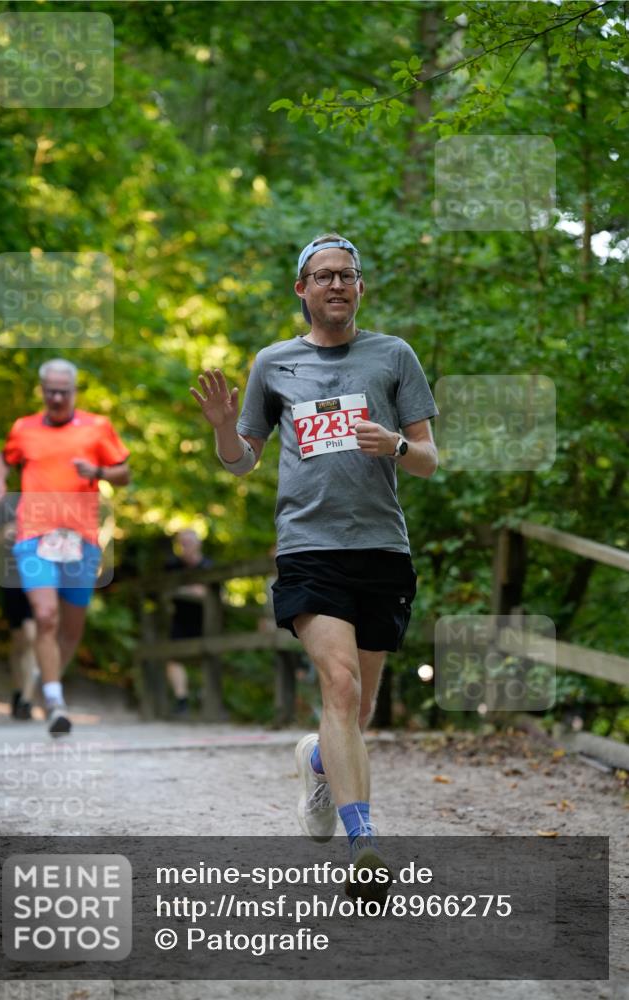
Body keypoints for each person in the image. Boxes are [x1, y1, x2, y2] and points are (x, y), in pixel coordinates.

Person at [191, 233, 439, 903]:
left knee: (357, 704)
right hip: (308, 545)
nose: (336, 285)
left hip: (382, 549)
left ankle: (319, 762)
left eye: (347, 276)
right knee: (338, 683)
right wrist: (221, 427)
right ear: (300, 289)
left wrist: (393, 444)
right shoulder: (274, 364)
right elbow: (242, 459)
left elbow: (427, 457)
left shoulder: (392, 356)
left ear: (360, 288)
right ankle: (364, 844)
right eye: (323, 275)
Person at [0, 359, 130, 737]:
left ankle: (42, 681)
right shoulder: (23, 428)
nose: (56, 397)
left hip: (79, 538)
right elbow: (3, 459)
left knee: (70, 628)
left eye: (63, 391)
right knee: (44, 615)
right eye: (50, 390)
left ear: (74, 391)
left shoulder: (97, 427)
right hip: (33, 535)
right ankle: (54, 702)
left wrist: (97, 473)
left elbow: (124, 473)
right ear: (42, 390)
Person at [0, 496, 39, 720]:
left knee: (32, 636)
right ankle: (19, 691)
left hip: (42, 579)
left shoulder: (53, 501)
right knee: (19, 641)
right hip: (13, 579)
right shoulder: (8, 505)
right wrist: (4, 533)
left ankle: (27, 699)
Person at [164, 529, 213, 716]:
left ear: (198, 544)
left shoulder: (208, 565)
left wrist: (185, 590)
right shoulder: (172, 565)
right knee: (173, 658)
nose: (185, 546)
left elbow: (211, 593)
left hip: (207, 620)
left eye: (188, 542)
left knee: (208, 657)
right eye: (181, 543)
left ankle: (205, 698)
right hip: (180, 619)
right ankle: (182, 700)